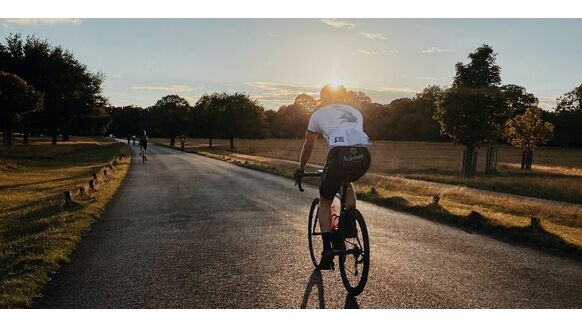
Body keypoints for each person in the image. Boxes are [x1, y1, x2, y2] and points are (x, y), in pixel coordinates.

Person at [294, 84, 371, 270]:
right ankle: (350, 222)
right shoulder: (356, 112)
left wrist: (301, 168)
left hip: (338, 155)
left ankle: (328, 253)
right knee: (347, 181)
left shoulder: (318, 114)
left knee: (325, 201)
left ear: (323, 97)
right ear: (344, 97)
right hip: (363, 155)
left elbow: (308, 144)